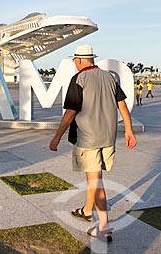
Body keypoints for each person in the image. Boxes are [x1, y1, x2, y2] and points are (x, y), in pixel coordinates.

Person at [49, 45, 137, 243]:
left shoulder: (78, 79)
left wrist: (57, 137)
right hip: (108, 137)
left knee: (96, 180)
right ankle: (87, 211)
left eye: (74, 60)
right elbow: (122, 105)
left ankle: (104, 226)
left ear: (79, 60)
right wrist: (129, 130)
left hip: (87, 138)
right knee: (94, 176)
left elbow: (70, 112)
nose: (74, 63)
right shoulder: (109, 77)